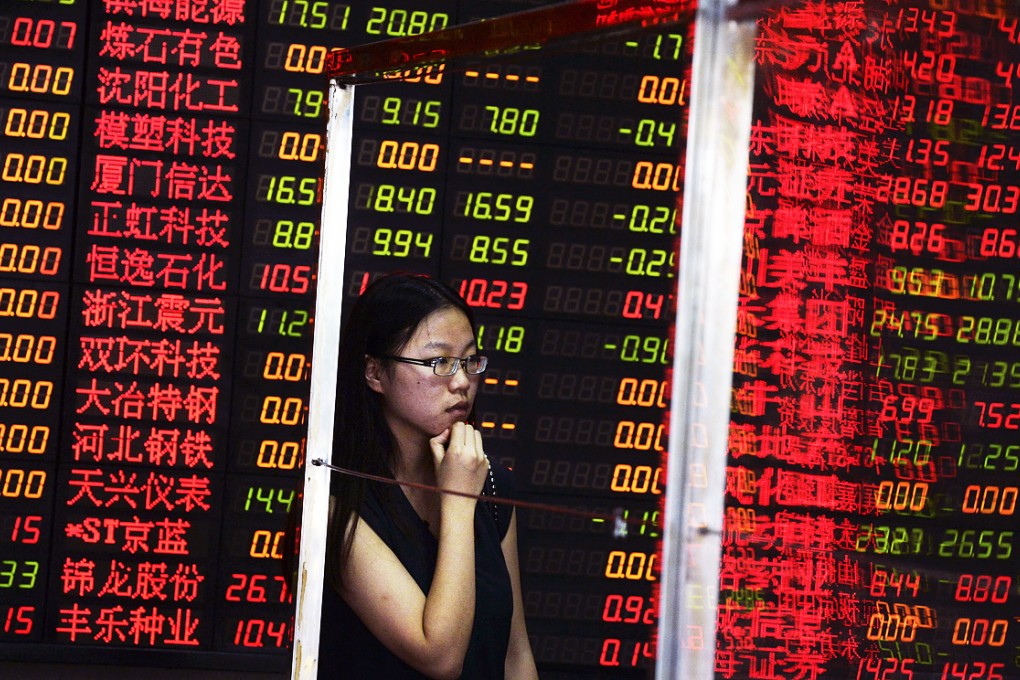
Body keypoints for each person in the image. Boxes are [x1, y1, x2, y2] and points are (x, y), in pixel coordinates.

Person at [317, 272, 539, 680]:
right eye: (439, 362)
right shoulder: (334, 507)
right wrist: (456, 502)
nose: (461, 382)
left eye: (470, 361)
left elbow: (514, 655)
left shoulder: (490, 485)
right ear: (375, 373)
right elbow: (439, 656)